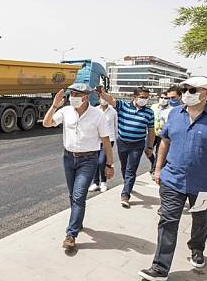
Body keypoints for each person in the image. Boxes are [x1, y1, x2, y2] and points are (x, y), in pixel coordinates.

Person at [139, 76, 207, 281]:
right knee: (168, 220)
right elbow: (165, 142)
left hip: (205, 184)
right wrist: (158, 169)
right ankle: (160, 267)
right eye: (185, 89)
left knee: (201, 221)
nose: (187, 93)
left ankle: (197, 248)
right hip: (172, 180)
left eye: (193, 90)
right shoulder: (175, 114)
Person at [43, 83, 115, 250]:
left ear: (85, 97)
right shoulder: (66, 111)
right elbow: (47, 124)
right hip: (68, 158)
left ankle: (71, 234)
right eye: (71, 93)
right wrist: (54, 106)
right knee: (72, 195)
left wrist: (109, 164)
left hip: (88, 160)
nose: (71, 97)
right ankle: (78, 221)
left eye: (75, 94)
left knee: (79, 195)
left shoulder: (98, 116)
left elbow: (106, 141)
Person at [98, 86, 155, 208]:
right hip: (122, 143)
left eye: (146, 98)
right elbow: (111, 100)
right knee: (124, 167)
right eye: (142, 97)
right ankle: (128, 184)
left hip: (138, 145)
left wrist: (149, 147)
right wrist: (102, 93)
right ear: (134, 96)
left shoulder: (149, 112)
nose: (144, 100)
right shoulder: (122, 106)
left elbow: (151, 131)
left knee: (131, 169)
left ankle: (125, 195)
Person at [91, 97, 117, 192]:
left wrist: (115, 138)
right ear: (98, 99)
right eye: (101, 98)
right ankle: (95, 182)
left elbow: (115, 126)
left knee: (102, 161)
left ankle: (104, 182)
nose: (103, 100)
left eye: (105, 98)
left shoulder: (113, 111)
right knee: (94, 162)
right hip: (96, 139)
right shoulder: (94, 110)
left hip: (109, 139)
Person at [146, 92, 171, 178]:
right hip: (152, 133)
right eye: (162, 97)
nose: (163, 100)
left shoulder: (171, 109)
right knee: (147, 150)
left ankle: (154, 170)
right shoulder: (154, 106)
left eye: (166, 98)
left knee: (158, 153)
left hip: (163, 135)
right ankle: (153, 162)